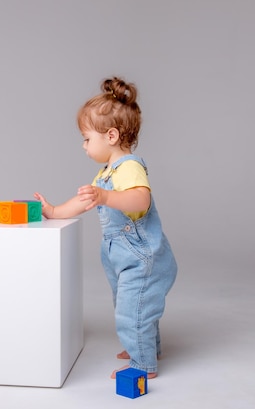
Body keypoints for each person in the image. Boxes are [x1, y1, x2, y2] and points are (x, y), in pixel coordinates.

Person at [33, 77, 178, 379]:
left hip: (141, 256)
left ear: (110, 135)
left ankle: (143, 364)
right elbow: (83, 201)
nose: (84, 145)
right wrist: (54, 211)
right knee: (134, 305)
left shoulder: (129, 166)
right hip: (121, 257)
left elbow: (141, 198)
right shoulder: (106, 172)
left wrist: (107, 196)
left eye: (86, 138)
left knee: (132, 310)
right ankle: (144, 344)